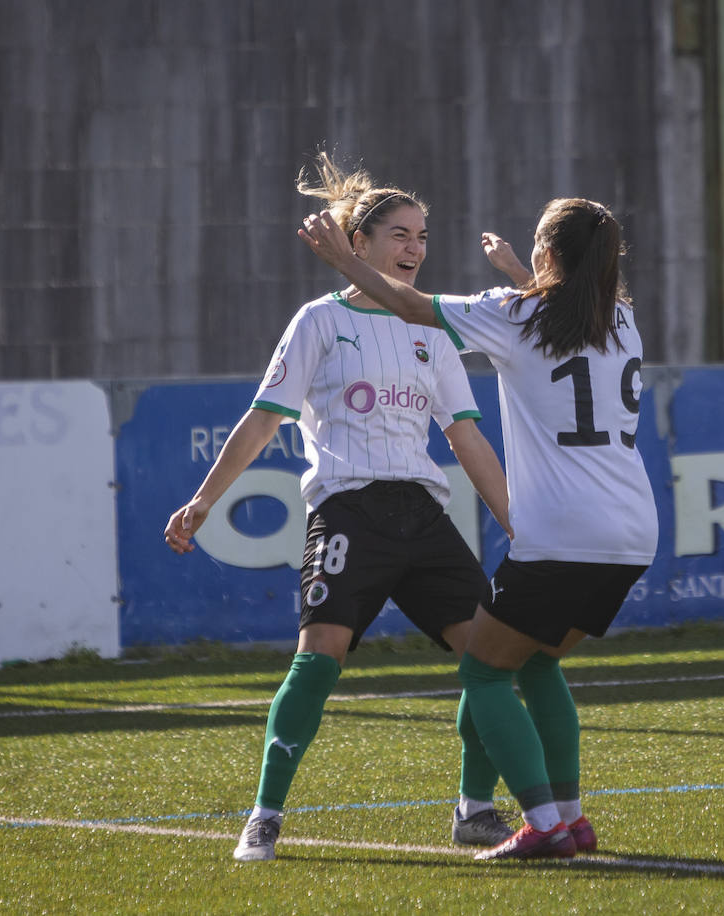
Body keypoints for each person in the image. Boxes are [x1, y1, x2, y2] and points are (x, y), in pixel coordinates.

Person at [165, 154, 517, 862]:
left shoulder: (434, 327)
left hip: (422, 514)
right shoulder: (319, 322)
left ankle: (475, 811)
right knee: (318, 659)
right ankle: (264, 816)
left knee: (490, 659)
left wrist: (519, 521)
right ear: (358, 244)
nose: (415, 248)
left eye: (422, 236)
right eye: (400, 235)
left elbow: (467, 438)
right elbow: (263, 420)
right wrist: (204, 499)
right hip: (348, 512)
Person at [298, 197, 659, 860]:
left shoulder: (513, 313)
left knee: (485, 675)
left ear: (549, 253)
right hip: (632, 533)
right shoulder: (623, 321)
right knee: (540, 660)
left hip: (561, 534)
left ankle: (546, 824)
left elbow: (412, 306)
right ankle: (571, 818)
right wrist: (524, 269)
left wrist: (346, 260)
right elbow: (558, 308)